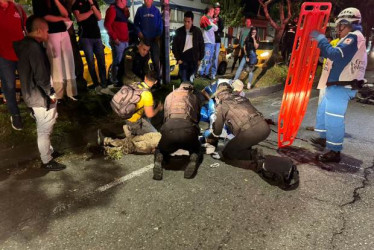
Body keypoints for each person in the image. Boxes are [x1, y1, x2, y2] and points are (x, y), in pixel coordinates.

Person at [310, 7, 367, 163]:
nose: (338, 29)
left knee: (334, 119)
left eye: (340, 25)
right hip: (336, 84)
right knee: (324, 113)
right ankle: (324, 139)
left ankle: (335, 151)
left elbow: (335, 54)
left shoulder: (354, 37)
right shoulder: (350, 38)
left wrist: (322, 40)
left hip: (341, 86)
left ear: (348, 23)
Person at [13, 16, 66, 171]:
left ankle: (49, 151)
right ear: (39, 30)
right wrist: (51, 93)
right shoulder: (34, 48)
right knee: (44, 129)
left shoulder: (23, 45)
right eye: (47, 31)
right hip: (39, 95)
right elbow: (40, 74)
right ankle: (46, 159)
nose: (48, 34)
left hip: (31, 94)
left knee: (45, 124)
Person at [153, 82, 202, 180]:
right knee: (196, 147)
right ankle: (193, 157)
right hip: (188, 130)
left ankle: (160, 157)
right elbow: (197, 117)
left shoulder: (169, 96)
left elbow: (165, 116)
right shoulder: (194, 97)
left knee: (161, 148)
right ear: (190, 89)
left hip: (169, 128)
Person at [209, 83, 270, 161]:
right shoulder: (242, 98)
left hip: (251, 133)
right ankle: (247, 150)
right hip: (265, 127)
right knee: (240, 141)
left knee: (228, 153)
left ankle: (257, 157)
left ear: (218, 95)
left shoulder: (222, 105)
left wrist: (217, 110)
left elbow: (217, 131)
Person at [32, 0, 78, 101]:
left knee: (68, 60)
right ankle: (58, 93)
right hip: (50, 33)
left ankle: (71, 91)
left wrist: (57, 1)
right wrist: (61, 18)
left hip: (63, 31)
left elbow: (66, 13)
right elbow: (44, 16)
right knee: (56, 63)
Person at [72, 0, 109, 94]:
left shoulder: (93, 2)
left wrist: (92, 5)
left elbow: (99, 17)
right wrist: (91, 11)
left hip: (96, 36)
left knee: (101, 61)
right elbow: (79, 18)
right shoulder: (77, 4)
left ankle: (104, 84)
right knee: (91, 62)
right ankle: (96, 85)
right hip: (85, 37)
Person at [0, 0, 26, 130]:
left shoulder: (18, 8)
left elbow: (26, 28)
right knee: (9, 86)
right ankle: (15, 114)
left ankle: (33, 108)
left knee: (27, 82)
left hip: (21, 54)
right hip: (3, 56)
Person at [124, 71, 162, 136]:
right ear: (155, 82)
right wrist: (158, 108)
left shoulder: (136, 84)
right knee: (156, 136)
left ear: (145, 77)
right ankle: (131, 131)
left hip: (126, 114)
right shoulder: (147, 95)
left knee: (152, 105)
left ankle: (133, 128)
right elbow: (150, 114)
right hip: (134, 121)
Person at [134, 0, 163, 82]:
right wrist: (139, 32)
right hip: (144, 40)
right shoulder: (140, 10)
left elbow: (160, 25)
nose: (147, 1)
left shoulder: (156, 11)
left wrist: (158, 35)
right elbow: (136, 24)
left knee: (156, 61)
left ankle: (157, 81)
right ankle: (142, 79)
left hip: (154, 40)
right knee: (143, 60)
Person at [172, 11, 204, 83]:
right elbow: (174, 47)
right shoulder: (179, 31)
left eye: (188, 22)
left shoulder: (197, 31)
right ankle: (183, 93)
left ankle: (189, 93)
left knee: (191, 81)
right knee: (183, 81)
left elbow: (202, 45)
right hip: (183, 60)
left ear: (192, 21)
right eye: (185, 21)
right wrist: (178, 58)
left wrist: (200, 59)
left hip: (194, 60)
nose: (186, 23)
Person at [104, 0, 130, 87]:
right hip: (119, 41)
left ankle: (120, 79)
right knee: (118, 61)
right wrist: (115, 38)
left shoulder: (122, 10)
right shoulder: (112, 9)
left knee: (123, 61)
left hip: (124, 40)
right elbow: (107, 24)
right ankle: (115, 80)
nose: (127, 1)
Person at [198, 5, 218, 80]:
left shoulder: (210, 20)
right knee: (205, 58)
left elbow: (216, 28)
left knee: (209, 59)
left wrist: (212, 24)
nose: (214, 13)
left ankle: (205, 73)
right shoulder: (204, 18)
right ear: (209, 11)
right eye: (213, 11)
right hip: (207, 42)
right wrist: (212, 24)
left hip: (212, 42)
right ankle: (201, 73)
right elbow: (210, 27)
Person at [210, 2, 224, 80]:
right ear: (214, 10)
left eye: (218, 10)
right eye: (216, 9)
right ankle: (206, 72)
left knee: (215, 57)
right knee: (209, 56)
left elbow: (221, 29)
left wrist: (217, 23)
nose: (217, 11)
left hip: (217, 41)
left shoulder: (220, 19)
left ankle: (213, 73)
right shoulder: (209, 18)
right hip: (209, 40)